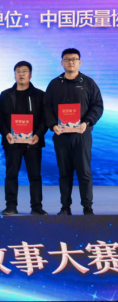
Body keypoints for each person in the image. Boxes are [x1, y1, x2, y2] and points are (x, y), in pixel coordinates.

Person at [44, 48, 104, 216]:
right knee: (64, 173)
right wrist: (52, 125)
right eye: (67, 59)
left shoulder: (88, 83)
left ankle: (87, 208)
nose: (70, 62)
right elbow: (46, 107)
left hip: (81, 135)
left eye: (74, 59)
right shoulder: (54, 84)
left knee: (84, 173)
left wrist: (87, 122)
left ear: (79, 62)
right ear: (62, 62)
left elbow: (97, 106)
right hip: (61, 136)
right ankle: (65, 207)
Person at [0, 61, 48, 216]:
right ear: (14, 74)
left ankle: (36, 207)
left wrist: (38, 134)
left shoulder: (40, 95)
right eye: (18, 71)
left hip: (33, 142)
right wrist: (6, 133)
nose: (21, 74)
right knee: (11, 175)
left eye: (25, 71)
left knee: (35, 176)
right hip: (12, 142)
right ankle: (11, 206)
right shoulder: (6, 95)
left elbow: (45, 118)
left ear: (30, 74)